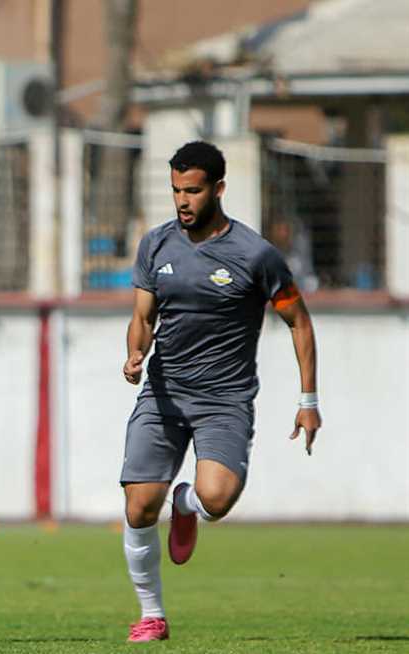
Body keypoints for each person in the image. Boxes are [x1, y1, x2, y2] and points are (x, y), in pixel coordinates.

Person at [119, 141, 321, 642]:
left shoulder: (255, 255)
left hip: (224, 401)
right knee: (140, 506)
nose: (183, 201)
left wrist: (308, 401)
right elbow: (143, 317)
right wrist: (135, 353)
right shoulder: (156, 244)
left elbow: (298, 322)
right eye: (176, 191)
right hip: (163, 394)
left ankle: (185, 507)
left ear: (218, 189)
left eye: (193, 190)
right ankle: (152, 615)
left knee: (218, 498)